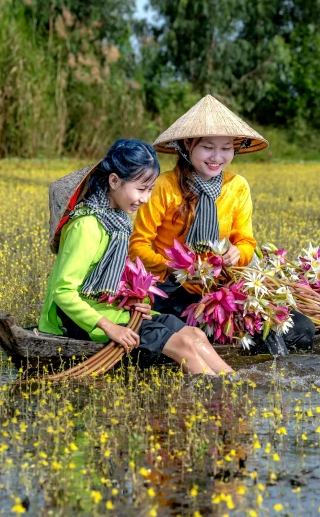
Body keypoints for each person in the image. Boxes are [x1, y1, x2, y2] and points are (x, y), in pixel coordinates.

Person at [129, 96, 315, 354]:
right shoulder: (164, 187)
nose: (217, 157)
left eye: (226, 148)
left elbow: (246, 242)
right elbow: (138, 244)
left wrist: (238, 253)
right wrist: (176, 269)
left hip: (220, 286)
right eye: (207, 147)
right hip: (171, 288)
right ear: (187, 146)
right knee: (200, 332)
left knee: (302, 329)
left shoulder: (237, 187)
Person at [38, 139, 234, 375]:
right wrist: (110, 328)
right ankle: (218, 401)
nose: (145, 198)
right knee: (183, 346)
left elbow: (109, 281)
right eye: (141, 189)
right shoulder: (86, 227)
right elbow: (62, 292)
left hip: (109, 310)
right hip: (78, 321)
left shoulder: (117, 222)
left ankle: (237, 383)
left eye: (150, 189)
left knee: (195, 335)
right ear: (114, 181)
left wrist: (130, 300)